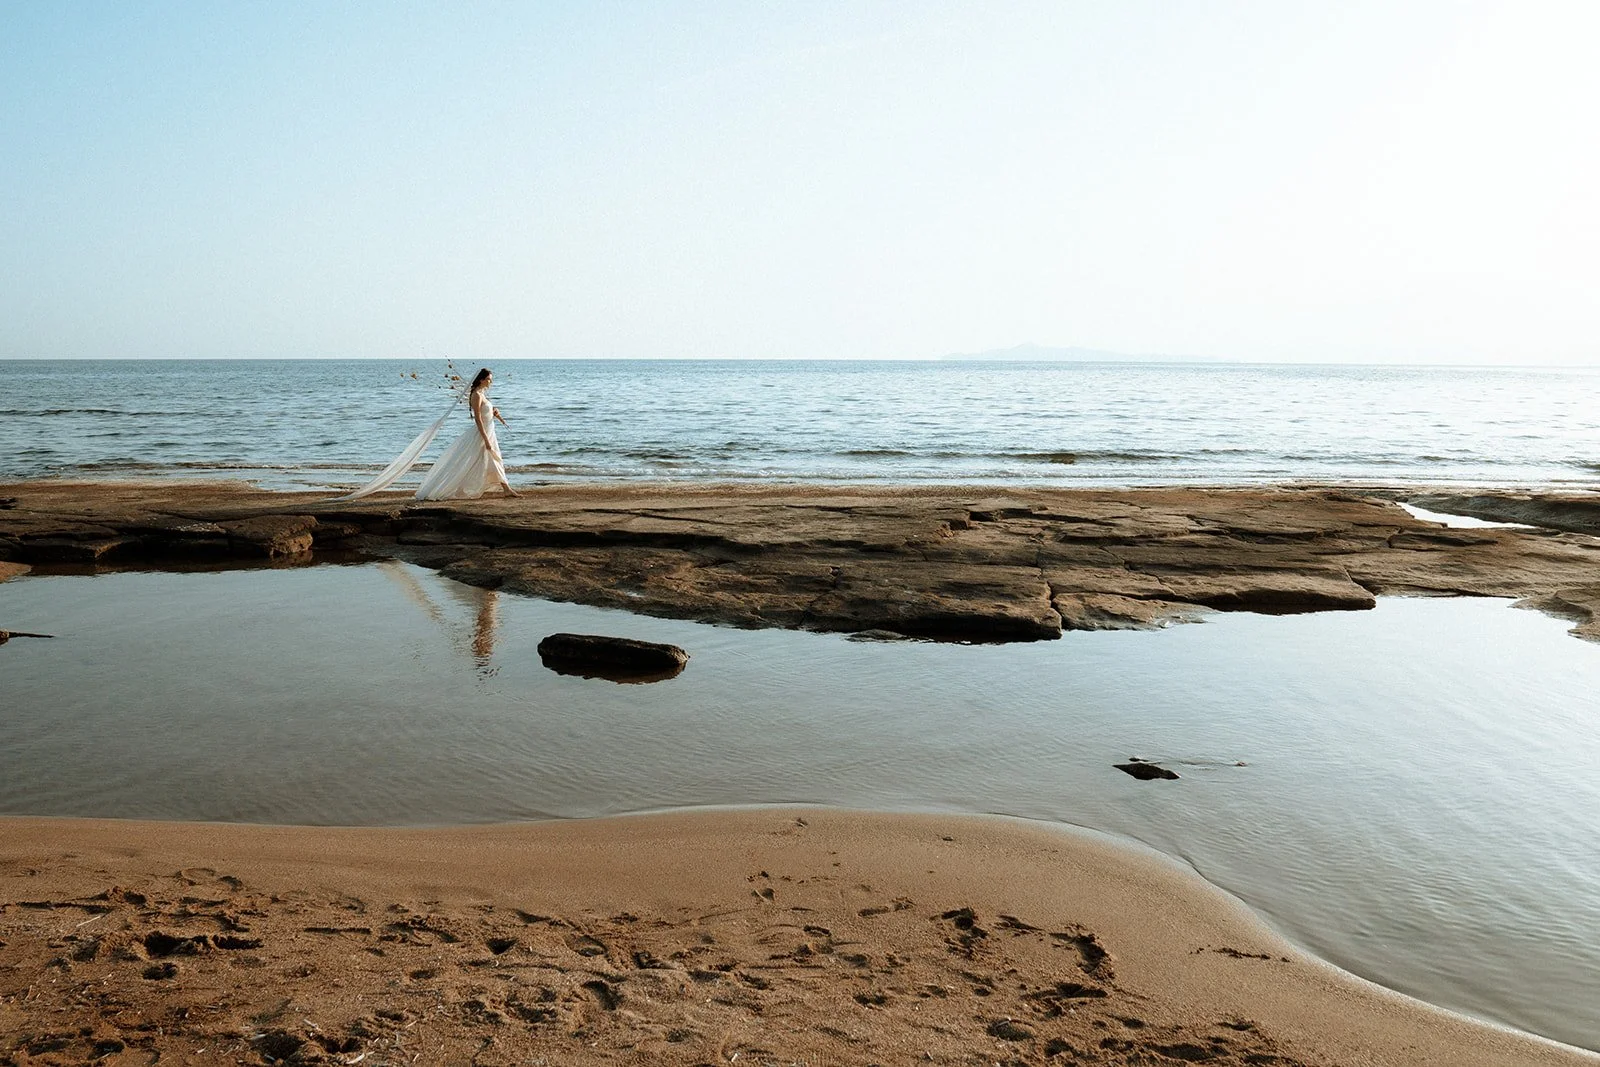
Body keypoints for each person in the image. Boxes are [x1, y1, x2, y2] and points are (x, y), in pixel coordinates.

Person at [339, 367, 518, 501]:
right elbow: (477, 419)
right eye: (489, 379)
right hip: (482, 433)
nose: (491, 382)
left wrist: (493, 412)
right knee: (479, 460)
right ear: (481, 380)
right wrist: (485, 439)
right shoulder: (477, 395)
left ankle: (505, 488)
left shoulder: (482, 394)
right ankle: (505, 488)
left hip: (489, 431)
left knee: (490, 459)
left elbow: (485, 414)